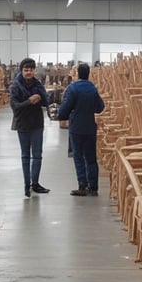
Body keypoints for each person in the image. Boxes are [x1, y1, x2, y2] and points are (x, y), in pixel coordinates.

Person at [56, 62, 105, 196]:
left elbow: (66, 107)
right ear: (89, 73)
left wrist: (61, 116)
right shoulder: (93, 88)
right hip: (90, 127)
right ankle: (94, 187)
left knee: (78, 157)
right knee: (91, 157)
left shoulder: (73, 88)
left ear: (77, 73)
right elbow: (100, 107)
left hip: (76, 127)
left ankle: (82, 186)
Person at [9, 57, 50, 198]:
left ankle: (35, 183)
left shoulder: (37, 84)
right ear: (21, 70)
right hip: (23, 124)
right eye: (26, 70)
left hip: (37, 124)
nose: (28, 72)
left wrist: (40, 96)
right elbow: (15, 106)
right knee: (26, 156)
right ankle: (27, 184)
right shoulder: (15, 86)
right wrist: (29, 101)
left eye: (31, 70)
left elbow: (46, 101)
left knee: (37, 155)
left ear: (34, 70)